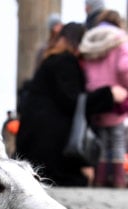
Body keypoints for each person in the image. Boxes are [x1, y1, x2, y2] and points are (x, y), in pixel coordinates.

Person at [15, 22, 127, 187]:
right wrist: (109, 94)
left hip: (37, 145)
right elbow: (73, 101)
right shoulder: (64, 62)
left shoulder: (52, 60)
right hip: (50, 152)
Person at [79, 10, 128, 188]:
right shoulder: (120, 39)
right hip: (116, 99)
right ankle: (117, 180)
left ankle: (100, 179)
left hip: (97, 98)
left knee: (100, 142)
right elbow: (124, 67)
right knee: (117, 141)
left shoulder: (89, 39)